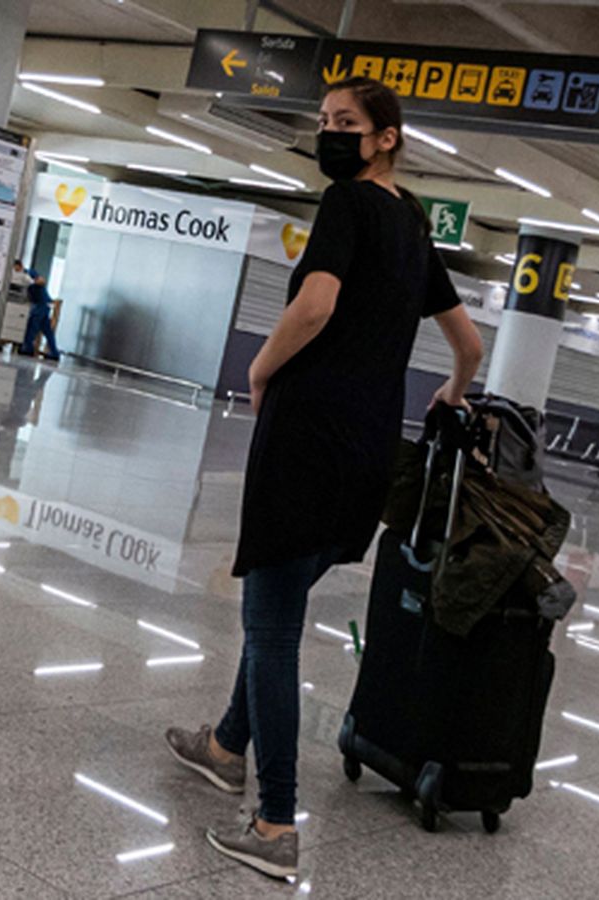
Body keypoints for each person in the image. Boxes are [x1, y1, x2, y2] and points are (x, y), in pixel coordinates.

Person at [165, 76, 485, 879]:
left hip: (307, 436)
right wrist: (451, 392)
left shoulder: (348, 207)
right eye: (324, 122)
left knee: (271, 628)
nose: (330, 134)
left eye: (347, 123)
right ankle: (225, 745)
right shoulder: (413, 220)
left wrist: (262, 369)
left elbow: (313, 307)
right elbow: (469, 345)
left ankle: (275, 825)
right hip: (370, 447)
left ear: (386, 137)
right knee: (285, 595)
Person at [14, 259, 61, 361]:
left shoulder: (29, 272)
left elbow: (42, 281)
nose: (15, 271)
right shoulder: (22, 276)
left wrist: (32, 281)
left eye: (15, 268)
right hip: (40, 304)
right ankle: (54, 353)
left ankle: (28, 349)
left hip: (41, 304)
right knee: (47, 331)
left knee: (32, 325)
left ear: (20, 266)